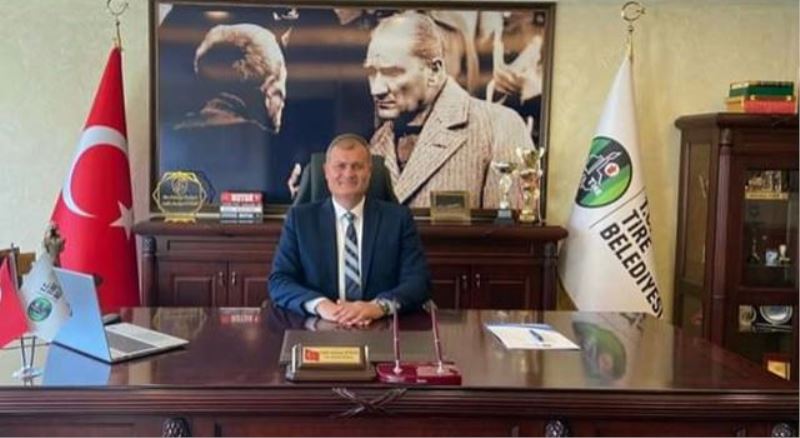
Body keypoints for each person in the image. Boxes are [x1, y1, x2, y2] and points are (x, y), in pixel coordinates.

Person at [365, 11, 534, 209]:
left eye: (392, 72)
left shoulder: (500, 128)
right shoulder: (377, 143)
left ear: (434, 71)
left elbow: (509, 227)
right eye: (371, 72)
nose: (376, 89)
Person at [269, 134, 431, 326]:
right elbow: (279, 281)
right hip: (318, 326)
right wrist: (321, 305)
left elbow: (418, 282)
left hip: (380, 326)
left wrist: (378, 307)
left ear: (369, 172)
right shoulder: (300, 220)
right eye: (340, 166)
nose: (348, 174)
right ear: (326, 172)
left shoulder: (398, 219)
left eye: (357, 166)